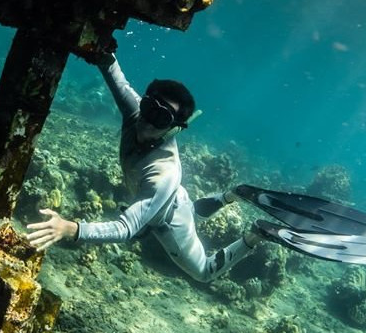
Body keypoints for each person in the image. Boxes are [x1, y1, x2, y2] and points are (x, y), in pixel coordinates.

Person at [26, 54, 255, 282]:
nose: (147, 120)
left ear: (174, 129)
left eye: (161, 117)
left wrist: (70, 228)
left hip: (169, 221)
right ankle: (231, 195)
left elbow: (125, 229)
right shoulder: (135, 112)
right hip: (172, 197)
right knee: (193, 210)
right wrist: (103, 49)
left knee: (205, 272)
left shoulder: (164, 172)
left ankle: (254, 237)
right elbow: (115, 75)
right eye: (148, 106)